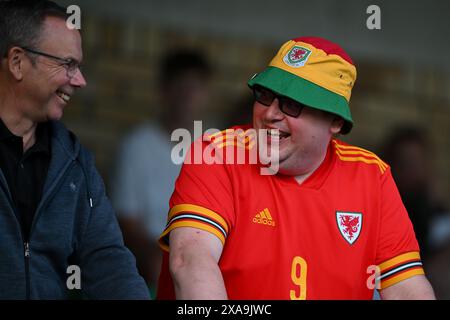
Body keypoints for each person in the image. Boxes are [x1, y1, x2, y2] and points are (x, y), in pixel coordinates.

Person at [156, 36, 436, 299]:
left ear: (335, 122)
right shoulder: (217, 154)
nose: (269, 114)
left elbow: (407, 288)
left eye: (291, 104)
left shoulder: (372, 176)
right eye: (265, 95)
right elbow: (191, 261)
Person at [0, 0, 149, 299]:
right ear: (17, 62)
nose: (80, 81)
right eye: (68, 64)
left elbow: (109, 263)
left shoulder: (76, 164)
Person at [110, 49, 211, 297]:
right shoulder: (137, 144)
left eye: (195, 88)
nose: (188, 96)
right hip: (152, 257)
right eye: (181, 87)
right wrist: (158, 256)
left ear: (206, 94)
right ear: (163, 90)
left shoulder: (214, 145)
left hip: (203, 251)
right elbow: (126, 220)